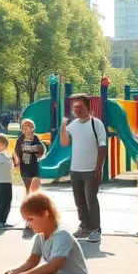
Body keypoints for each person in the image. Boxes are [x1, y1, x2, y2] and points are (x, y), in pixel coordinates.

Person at [0, 192, 90, 274]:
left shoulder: (61, 235)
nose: (29, 224)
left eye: (31, 219)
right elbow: (32, 262)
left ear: (45, 214)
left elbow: (53, 266)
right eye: (26, 220)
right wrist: (14, 273)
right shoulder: (40, 236)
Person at [60, 94, 107, 243]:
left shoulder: (96, 124)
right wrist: (63, 127)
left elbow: (102, 146)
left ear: (88, 107)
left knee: (90, 200)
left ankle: (96, 229)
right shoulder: (73, 125)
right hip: (75, 170)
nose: (77, 110)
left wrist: (99, 168)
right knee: (79, 201)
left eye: (80, 107)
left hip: (91, 170)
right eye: (75, 108)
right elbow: (64, 143)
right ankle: (84, 226)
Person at [0, 134, 19, 229]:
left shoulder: (7, 156)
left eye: (0, 144)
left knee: (7, 201)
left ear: (5, 145)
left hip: (7, 181)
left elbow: (13, 168)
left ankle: (3, 220)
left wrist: (16, 163)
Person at [15, 118, 46, 194]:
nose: (26, 130)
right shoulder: (20, 139)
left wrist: (31, 148)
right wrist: (17, 162)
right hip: (24, 167)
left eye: (28, 128)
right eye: (24, 128)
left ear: (32, 129)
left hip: (33, 166)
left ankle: (32, 198)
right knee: (28, 187)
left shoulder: (35, 138)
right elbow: (17, 150)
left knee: (34, 187)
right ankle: (29, 198)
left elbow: (41, 149)